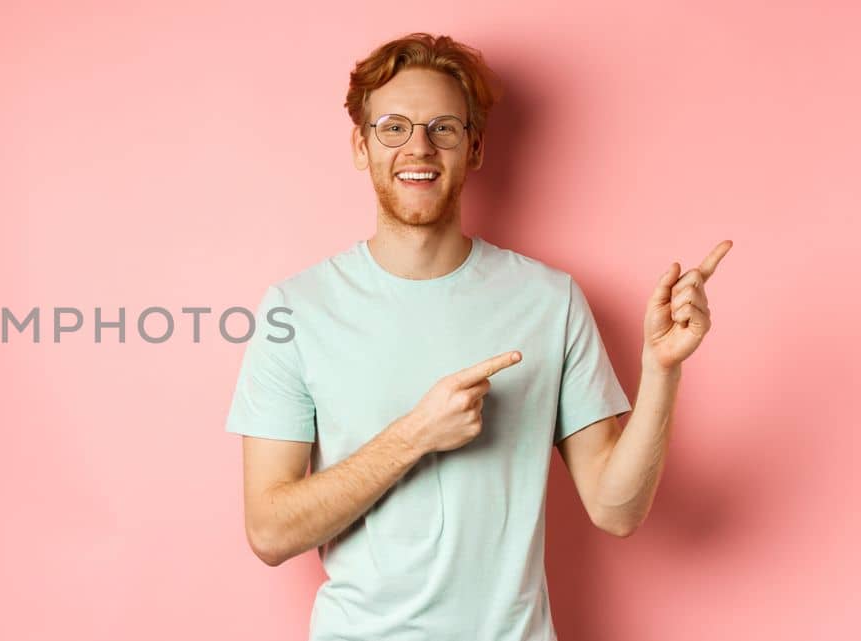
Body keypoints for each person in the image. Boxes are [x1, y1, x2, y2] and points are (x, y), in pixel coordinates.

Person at [224, 33, 731, 641]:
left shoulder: (551, 301)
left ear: (475, 147)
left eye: (443, 127)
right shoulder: (297, 310)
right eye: (393, 127)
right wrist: (415, 436)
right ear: (361, 146)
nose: (419, 147)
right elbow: (270, 532)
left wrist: (662, 369)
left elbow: (615, 510)